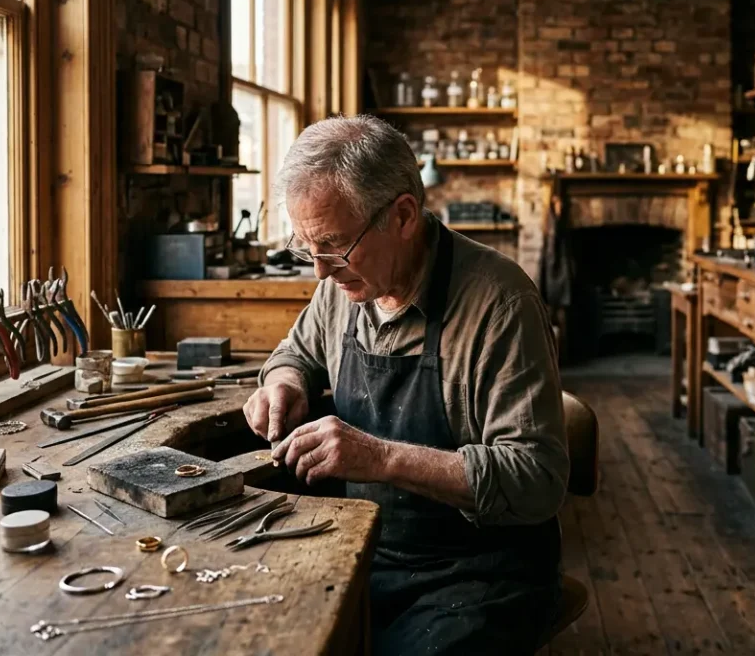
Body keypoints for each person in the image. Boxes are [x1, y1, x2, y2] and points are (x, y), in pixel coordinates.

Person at [243, 115, 569, 655]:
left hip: (478, 572)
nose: (320, 271)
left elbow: (536, 479)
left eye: (333, 246)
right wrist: (285, 384)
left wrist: (380, 458)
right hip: (363, 548)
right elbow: (295, 353)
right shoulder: (343, 285)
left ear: (403, 216)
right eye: (306, 249)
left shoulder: (500, 304)